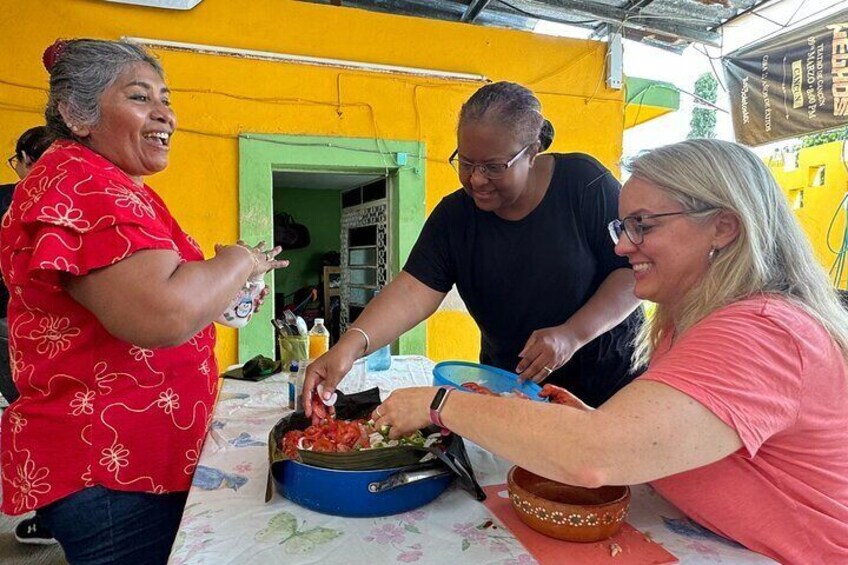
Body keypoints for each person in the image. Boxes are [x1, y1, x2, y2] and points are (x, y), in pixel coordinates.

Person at [374, 139, 848, 563]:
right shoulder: (692, 320)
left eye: (642, 225)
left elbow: (594, 456)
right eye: (622, 226)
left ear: (723, 228)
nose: (622, 246)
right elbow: (658, 441)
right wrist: (586, 420)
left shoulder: (761, 331)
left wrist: (439, 404)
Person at [0, 39, 287, 564]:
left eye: (166, 98)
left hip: (136, 462)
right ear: (76, 114)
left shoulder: (103, 181)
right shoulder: (80, 182)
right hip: (113, 471)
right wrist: (240, 260)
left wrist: (225, 289)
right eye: (140, 97)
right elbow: (162, 314)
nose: (166, 115)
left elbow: (165, 294)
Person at [305, 81, 642, 411]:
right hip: (515, 394)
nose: (477, 179)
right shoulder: (455, 217)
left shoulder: (585, 185)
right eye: (465, 163)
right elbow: (412, 290)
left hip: (608, 392)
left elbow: (631, 273)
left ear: (532, 151)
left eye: (493, 167)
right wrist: (348, 346)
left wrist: (573, 334)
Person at [1, 126, 57, 545]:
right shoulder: (84, 196)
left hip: (13, 326)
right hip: (64, 330)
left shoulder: (9, 199)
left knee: (34, 416)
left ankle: (51, 516)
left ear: (24, 159)